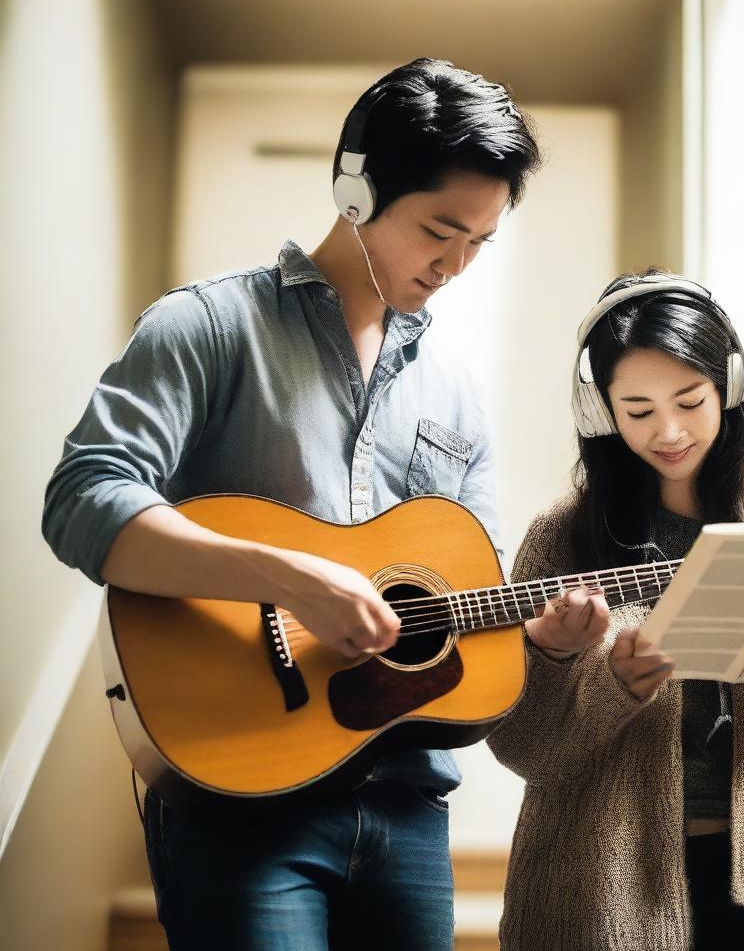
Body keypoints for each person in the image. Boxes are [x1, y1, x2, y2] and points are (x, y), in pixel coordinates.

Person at [41, 57, 541, 951]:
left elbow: (474, 596)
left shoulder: (458, 394)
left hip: (408, 805)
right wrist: (286, 577)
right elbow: (84, 498)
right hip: (236, 797)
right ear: (356, 188)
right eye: (440, 230)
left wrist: (549, 633)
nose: (457, 265)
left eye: (480, 242)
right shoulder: (204, 326)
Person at [487, 269, 744, 951]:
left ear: (731, 386)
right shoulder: (561, 536)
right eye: (639, 410)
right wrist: (589, 674)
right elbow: (522, 748)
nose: (670, 431)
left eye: (690, 400)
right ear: (601, 411)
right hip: (599, 887)